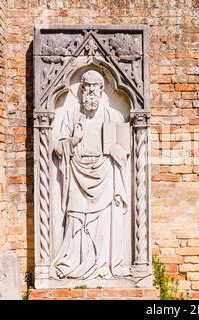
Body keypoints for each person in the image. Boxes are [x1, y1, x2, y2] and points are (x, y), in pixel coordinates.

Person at [50, 69, 130, 279]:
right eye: (87, 87)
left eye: (96, 87)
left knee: (103, 222)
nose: (91, 92)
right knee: (76, 219)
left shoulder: (113, 115)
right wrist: (72, 141)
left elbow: (125, 152)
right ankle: (75, 262)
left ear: (102, 89)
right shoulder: (72, 114)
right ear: (82, 89)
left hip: (105, 174)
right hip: (77, 173)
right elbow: (58, 147)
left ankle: (102, 264)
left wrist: (116, 151)